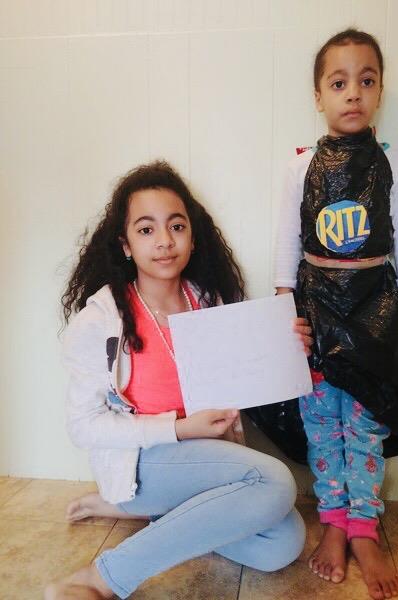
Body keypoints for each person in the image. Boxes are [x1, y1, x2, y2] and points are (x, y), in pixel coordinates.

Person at [45, 161, 312, 599]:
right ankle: (102, 576)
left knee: (282, 543)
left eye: (176, 226)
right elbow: (83, 427)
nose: (165, 241)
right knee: (275, 482)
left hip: (209, 458)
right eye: (146, 229)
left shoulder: (208, 302)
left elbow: (245, 376)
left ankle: (162, 515)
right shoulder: (100, 321)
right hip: (143, 463)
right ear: (126, 244)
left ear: (192, 236)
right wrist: (179, 429)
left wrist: (287, 346)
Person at [274, 29, 398, 600]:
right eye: (339, 83)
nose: (353, 93)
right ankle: (333, 520)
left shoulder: (396, 163)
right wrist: (285, 314)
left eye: (366, 81)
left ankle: (364, 527)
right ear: (318, 96)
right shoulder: (299, 167)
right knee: (321, 420)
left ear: (380, 91)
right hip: (315, 306)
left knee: (365, 421)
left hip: (375, 308)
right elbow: (285, 245)